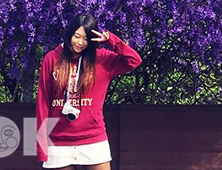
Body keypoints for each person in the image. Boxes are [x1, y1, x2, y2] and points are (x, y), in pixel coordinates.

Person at [35, 13, 142, 169]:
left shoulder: (102, 59)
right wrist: (41, 146)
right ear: (69, 34)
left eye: (85, 39)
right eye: (76, 36)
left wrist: (112, 41)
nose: (79, 42)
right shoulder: (51, 59)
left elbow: (134, 60)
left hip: (93, 138)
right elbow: (43, 103)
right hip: (58, 140)